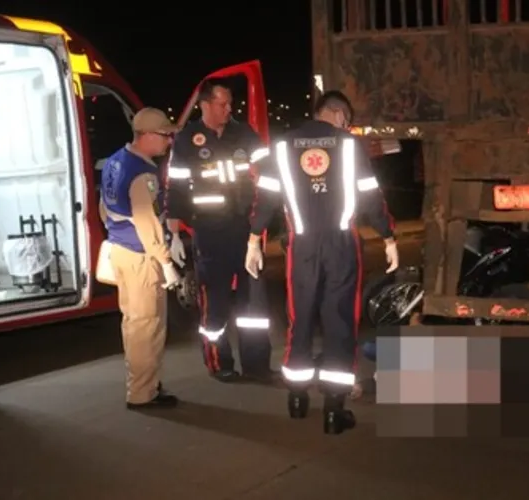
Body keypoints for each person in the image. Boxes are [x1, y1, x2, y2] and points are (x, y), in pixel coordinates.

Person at [244, 90, 399, 435]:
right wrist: (388, 237)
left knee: (299, 318)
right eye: (347, 120)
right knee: (339, 321)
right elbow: (371, 197)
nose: (347, 125)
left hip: (301, 246)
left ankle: (297, 399)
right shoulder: (350, 145)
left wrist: (254, 240)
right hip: (342, 245)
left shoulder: (282, 146)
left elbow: (265, 198)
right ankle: (333, 410)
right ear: (339, 115)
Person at [164, 78, 275, 384]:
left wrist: (265, 212)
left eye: (230, 103)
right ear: (205, 104)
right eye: (222, 104)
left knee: (254, 304)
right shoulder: (187, 139)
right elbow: (175, 189)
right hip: (209, 232)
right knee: (214, 302)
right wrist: (174, 234)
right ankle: (219, 362)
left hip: (245, 230)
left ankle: (257, 363)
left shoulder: (243, 133)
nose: (229, 109)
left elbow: (269, 169)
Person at [100, 107, 183, 410]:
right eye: (165, 135)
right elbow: (147, 222)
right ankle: (143, 393)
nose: (169, 141)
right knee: (147, 328)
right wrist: (166, 261)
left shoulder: (114, 161)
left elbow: (104, 208)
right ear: (146, 135)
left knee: (134, 324)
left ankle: (142, 386)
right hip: (141, 257)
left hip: (121, 250)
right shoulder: (143, 174)